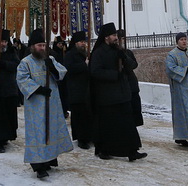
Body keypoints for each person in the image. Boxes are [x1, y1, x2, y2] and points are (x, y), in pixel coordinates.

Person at [16, 29, 73, 178]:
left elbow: (62, 72)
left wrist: (52, 68)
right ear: (32, 47)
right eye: (39, 45)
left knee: (51, 130)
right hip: (36, 105)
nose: (42, 48)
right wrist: (39, 89)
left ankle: (49, 160)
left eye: (44, 45)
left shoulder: (50, 59)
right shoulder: (25, 62)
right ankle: (38, 166)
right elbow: (21, 80)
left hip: (52, 103)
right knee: (38, 133)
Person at [89, 22, 147, 162]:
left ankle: (132, 151)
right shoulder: (98, 53)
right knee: (109, 126)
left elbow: (132, 66)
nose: (116, 38)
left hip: (123, 93)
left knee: (127, 124)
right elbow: (95, 72)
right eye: (113, 35)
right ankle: (104, 150)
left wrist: (124, 57)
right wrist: (114, 74)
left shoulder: (119, 50)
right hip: (107, 96)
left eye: (116, 35)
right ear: (106, 37)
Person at [63, 31, 92, 149]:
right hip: (76, 89)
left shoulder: (84, 54)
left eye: (84, 42)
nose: (83, 44)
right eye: (81, 42)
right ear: (75, 43)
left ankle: (89, 136)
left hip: (86, 89)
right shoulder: (70, 55)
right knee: (79, 116)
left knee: (88, 114)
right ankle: (81, 139)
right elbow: (68, 69)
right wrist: (84, 65)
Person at [118, 30, 144, 127]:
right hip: (122, 85)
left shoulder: (128, 52)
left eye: (124, 39)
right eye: (121, 39)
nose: (122, 41)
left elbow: (134, 65)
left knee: (135, 107)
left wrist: (125, 57)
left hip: (132, 84)